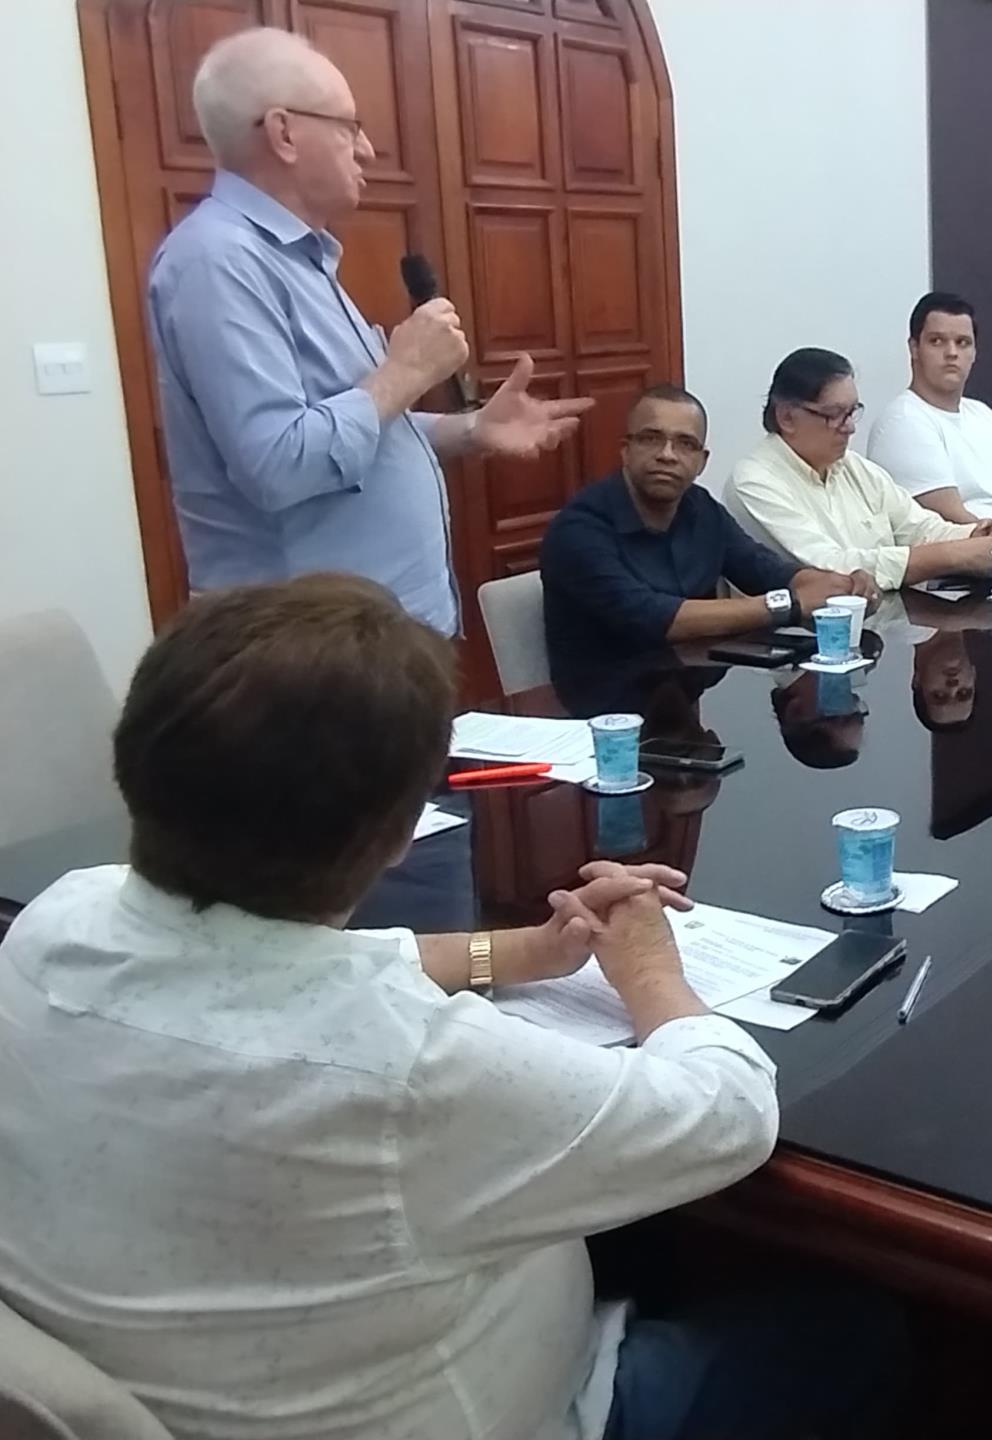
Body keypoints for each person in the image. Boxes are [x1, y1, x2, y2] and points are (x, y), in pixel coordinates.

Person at [0, 574, 900, 1440]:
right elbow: (728, 1117)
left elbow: (262, 968)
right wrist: (651, 971)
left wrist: (513, 954)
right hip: (526, 1409)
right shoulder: (406, 1068)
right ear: (399, 837)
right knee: (873, 1326)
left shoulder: (55, 922)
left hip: (201, 1381)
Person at [148, 28, 591, 634]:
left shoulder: (302, 259)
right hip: (305, 651)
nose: (369, 149)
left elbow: (358, 429)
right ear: (283, 133)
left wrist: (470, 429)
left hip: (378, 638)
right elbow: (279, 464)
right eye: (348, 126)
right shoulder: (217, 262)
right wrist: (405, 372)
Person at [540, 385, 871, 677]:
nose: (667, 455)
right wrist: (790, 603)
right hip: (604, 721)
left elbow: (763, 568)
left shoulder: (700, 509)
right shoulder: (579, 529)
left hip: (692, 703)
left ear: (702, 461)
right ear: (625, 450)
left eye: (685, 444)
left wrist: (836, 586)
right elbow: (655, 618)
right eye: (651, 439)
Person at [731, 348, 992, 589]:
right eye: (834, 415)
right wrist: (952, 556)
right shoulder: (754, 481)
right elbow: (833, 569)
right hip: (802, 640)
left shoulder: (853, 467)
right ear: (787, 417)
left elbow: (920, 527)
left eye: (853, 411)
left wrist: (979, 535)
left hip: (882, 623)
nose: (850, 427)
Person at [865, 292, 992, 539]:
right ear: (914, 349)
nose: (952, 352)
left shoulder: (983, 414)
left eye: (963, 342)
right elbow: (954, 521)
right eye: (937, 341)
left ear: (974, 352)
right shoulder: (902, 421)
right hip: (963, 565)